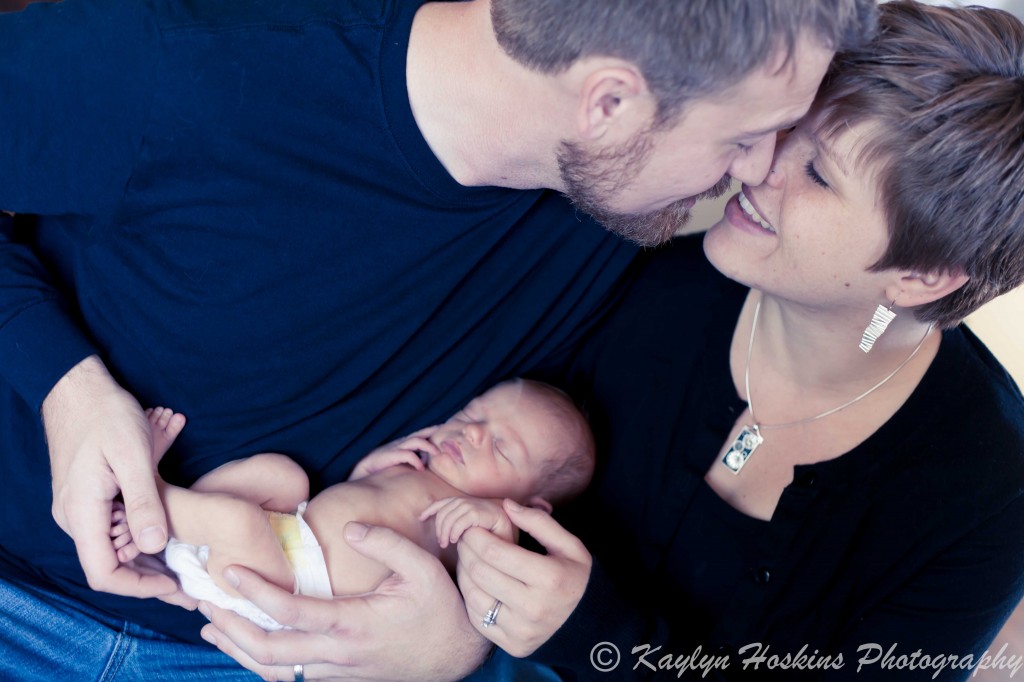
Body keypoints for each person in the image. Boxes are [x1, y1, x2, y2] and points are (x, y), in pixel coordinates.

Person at [0, 0, 875, 680]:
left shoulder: (626, 218)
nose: (760, 171)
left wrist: (458, 644)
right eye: (744, 138)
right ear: (609, 102)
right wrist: (62, 381)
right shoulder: (192, 57)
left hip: (251, 655)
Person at [403, 2, 1024, 679]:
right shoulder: (639, 278)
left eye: (818, 174)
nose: (759, 166)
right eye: (786, 128)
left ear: (922, 275)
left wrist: (593, 635)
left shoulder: (987, 499)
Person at [109, 379, 593, 632]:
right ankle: (170, 527)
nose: (472, 432)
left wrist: (499, 525)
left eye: (502, 448)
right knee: (284, 475)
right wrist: (369, 470)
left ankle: (150, 491)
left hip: (295, 593)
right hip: (285, 536)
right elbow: (352, 503)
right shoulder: (415, 469)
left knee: (237, 521)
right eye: (473, 414)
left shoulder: (483, 523)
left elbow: (487, 577)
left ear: (532, 506)